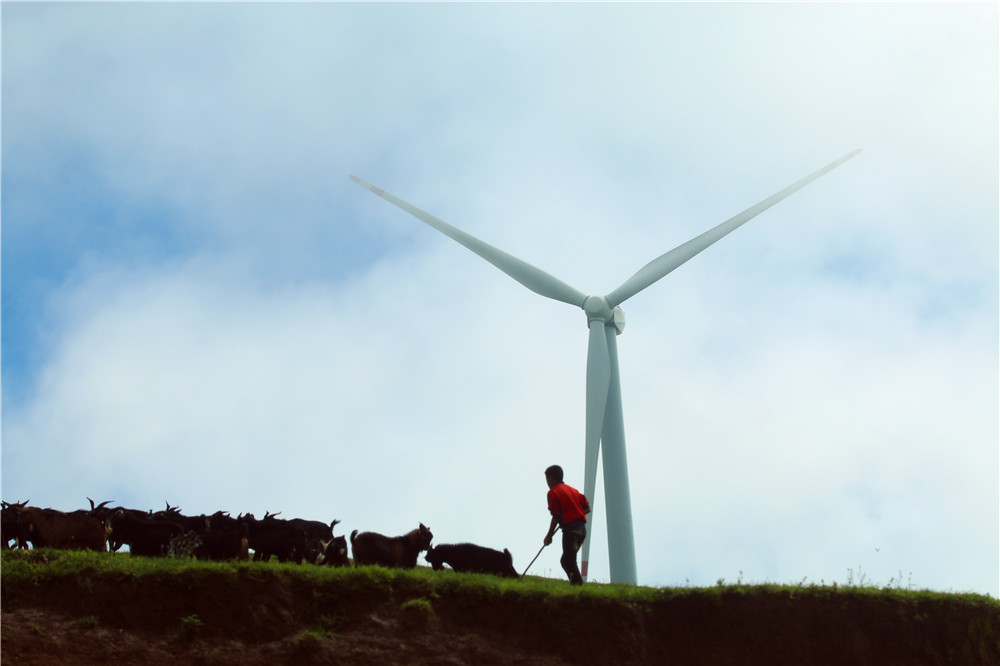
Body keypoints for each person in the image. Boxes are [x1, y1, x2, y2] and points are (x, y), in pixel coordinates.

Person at [543, 464, 590, 585]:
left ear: (551, 478)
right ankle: (576, 585)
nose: (547, 482)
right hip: (581, 531)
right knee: (568, 559)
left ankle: (578, 586)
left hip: (571, 531)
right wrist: (574, 513)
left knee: (568, 560)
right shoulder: (573, 490)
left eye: (547, 479)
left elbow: (556, 516)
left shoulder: (553, 492)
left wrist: (549, 535)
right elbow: (587, 508)